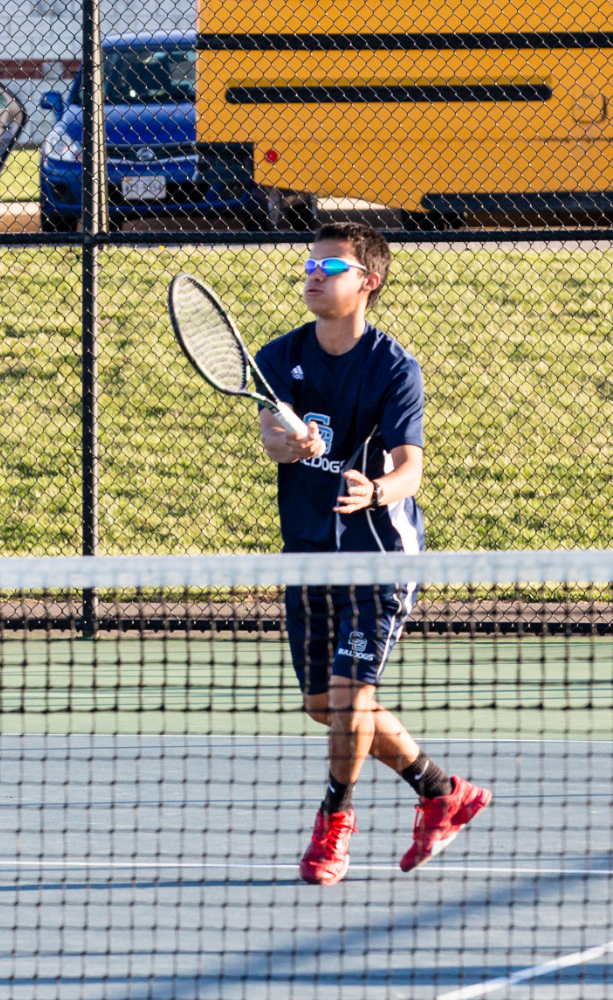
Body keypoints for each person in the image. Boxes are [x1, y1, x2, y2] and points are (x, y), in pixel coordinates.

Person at [255, 222, 491, 885]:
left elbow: (411, 467)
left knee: (352, 699)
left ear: (368, 282)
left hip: (379, 555)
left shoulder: (395, 368)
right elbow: (272, 440)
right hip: (306, 549)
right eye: (309, 264)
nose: (312, 273)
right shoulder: (278, 358)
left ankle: (335, 819)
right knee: (324, 704)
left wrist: (377, 490)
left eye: (330, 267)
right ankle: (442, 791)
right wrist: (289, 444)